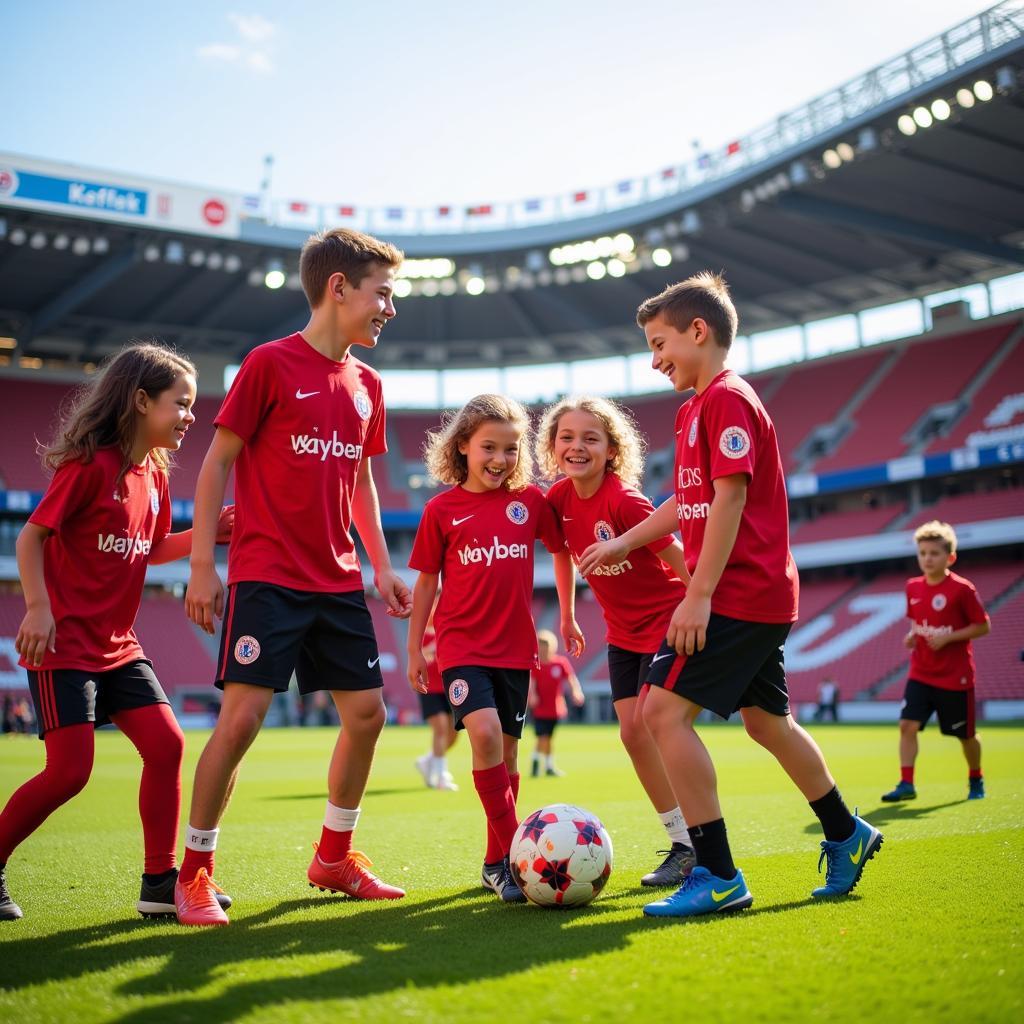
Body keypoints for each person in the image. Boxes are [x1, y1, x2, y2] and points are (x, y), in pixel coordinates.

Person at [580, 272, 882, 919]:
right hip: (753, 594)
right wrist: (624, 543)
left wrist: (699, 594)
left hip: (739, 594)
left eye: (661, 343)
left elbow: (730, 497)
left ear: (699, 332)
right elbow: (687, 501)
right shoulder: (696, 408)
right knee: (766, 721)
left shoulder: (727, 400)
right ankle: (845, 832)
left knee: (661, 716)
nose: (655, 359)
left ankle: (716, 873)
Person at [178, 228, 413, 927]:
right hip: (267, 574)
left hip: (338, 580)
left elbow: (364, 482)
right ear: (338, 288)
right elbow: (217, 462)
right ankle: (194, 872)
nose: (388, 310)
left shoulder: (368, 384)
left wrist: (379, 565)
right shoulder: (268, 364)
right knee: (244, 719)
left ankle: (334, 857)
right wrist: (200, 565)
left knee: (367, 716)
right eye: (382, 295)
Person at [0, 343, 233, 923]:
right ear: (139, 400)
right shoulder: (87, 467)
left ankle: (159, 882)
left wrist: (210, 534)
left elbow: (151, 552)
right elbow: (31, 538)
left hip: (119, 647)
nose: (190, 416)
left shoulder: (152, 478)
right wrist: (37, 607)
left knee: (167, 745)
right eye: (180, 404)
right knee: (70, 772)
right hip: (62, 648)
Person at [406, 394, 584, 903]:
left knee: (507, 757)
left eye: (511, 448)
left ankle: (493, 864)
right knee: (483, 735)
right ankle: (512, 856)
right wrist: (417, 647)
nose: (500, 459)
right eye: (489, 447)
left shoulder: (528, 502)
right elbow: (424, 585)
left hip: (515, 651)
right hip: (461, 647)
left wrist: (568, 614)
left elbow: (562, 551)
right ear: (462, 446)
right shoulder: (441, 510)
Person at [537, 394, 697, 887]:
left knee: (655, 720)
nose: (577, 446)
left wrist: (701, 602)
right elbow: (561, 555)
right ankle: (682, 842)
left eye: (591, 438)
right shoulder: (558, 499)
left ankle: (699, 843)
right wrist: (566, 615)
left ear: (611, 449)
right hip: (622, 633)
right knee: (631, 734)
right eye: (567, 437)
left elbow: (674, 555)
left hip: (668, 621)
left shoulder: (624, 501)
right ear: (552, 446)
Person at [882, 520, 990, 803]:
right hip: (921, 671)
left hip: (955, 676)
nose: (927, 559)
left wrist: (949, 637)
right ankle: (907, 783)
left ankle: (976, 778)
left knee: (965, 736)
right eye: (923, 553)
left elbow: (983, 626)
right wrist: (912, 637)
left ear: (950, 557)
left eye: (934, 553)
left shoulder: (963, 589)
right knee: (907, 725)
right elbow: (920, 624)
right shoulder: (912, 587)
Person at [414, 593, 459, 791]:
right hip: (430, 687)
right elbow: (419, 655)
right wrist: (432, 647)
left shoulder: (450, 629)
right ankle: (442, 776)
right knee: (440, 728)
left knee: (453, 733)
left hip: (449, 686)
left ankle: (427, 761)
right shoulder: (422, 632)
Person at [528, 629, 584, 778]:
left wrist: (576, 692)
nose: (544, 649)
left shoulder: (560, 663)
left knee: (548, 737)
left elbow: (571, 679)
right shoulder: (536, 664)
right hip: (540, 708)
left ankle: (546, 765)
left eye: (546, 645)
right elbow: (531, 683)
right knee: (543, 736)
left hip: (555, 708)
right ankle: (538, 762)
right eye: (541, 645)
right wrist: (532, 696)